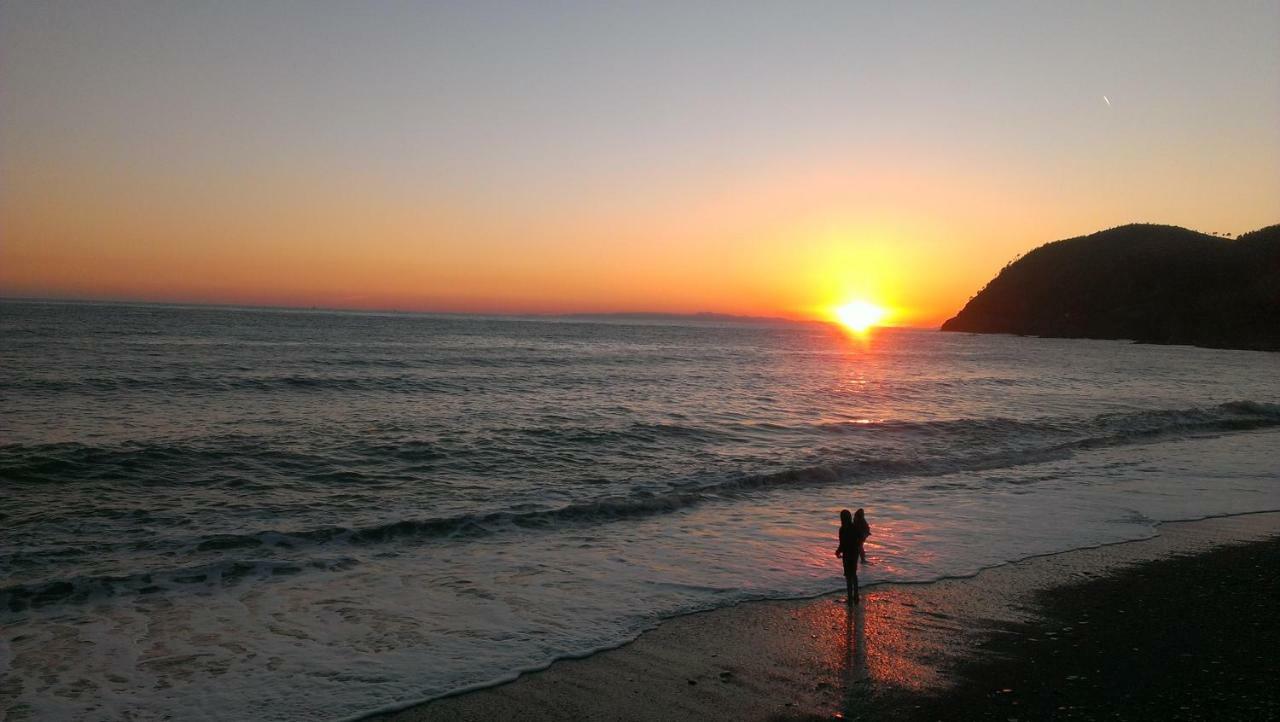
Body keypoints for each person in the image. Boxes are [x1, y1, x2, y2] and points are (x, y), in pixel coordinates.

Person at [835, 508, 872, 604]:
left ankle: (850, 597)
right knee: (853, 574)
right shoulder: (854, 527)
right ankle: (855, 596)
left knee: (848, 575)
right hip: (854, 553)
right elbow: (861, 538)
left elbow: (842, 543)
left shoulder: (842, 529)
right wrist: (858, 546)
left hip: (847, 554)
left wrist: (838, 552)